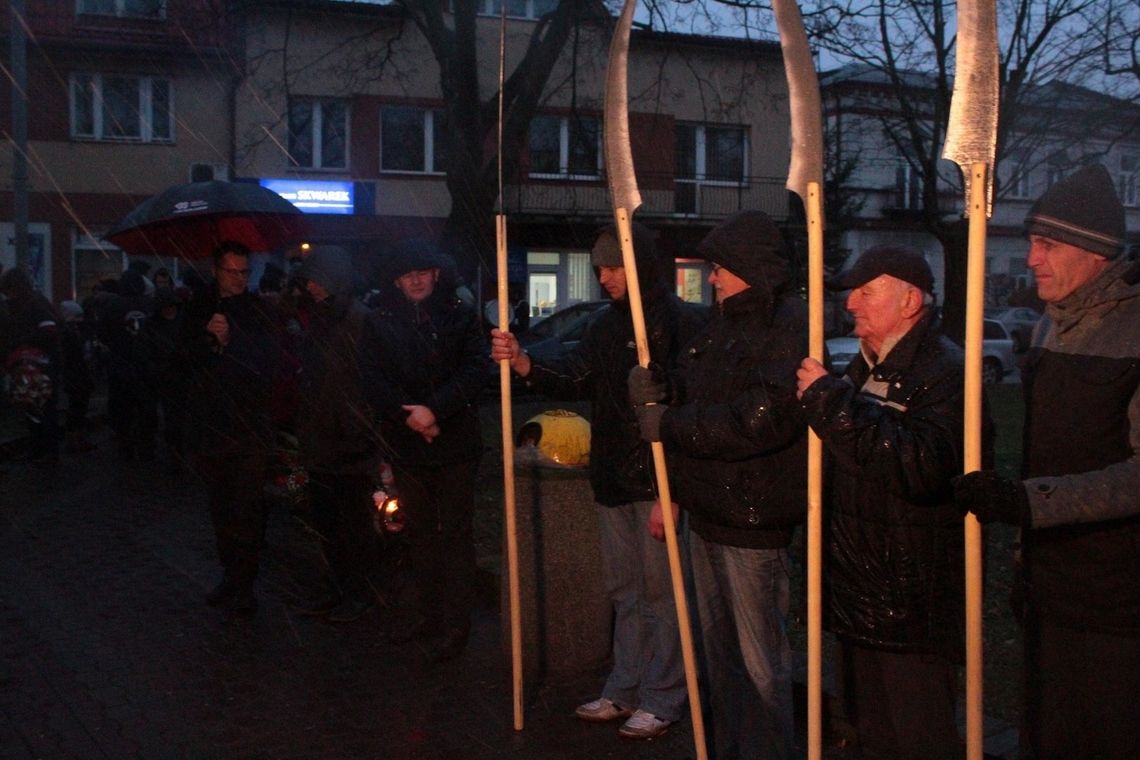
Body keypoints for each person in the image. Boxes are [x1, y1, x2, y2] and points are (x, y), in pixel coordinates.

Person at [491, 223, 707, 739]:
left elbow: (690, 408)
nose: (605, 277)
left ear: (641, 268)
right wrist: (523, 362)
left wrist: (671, 489)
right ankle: (625, 685)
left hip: (656, 482)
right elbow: (578, 373)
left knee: (663, 595)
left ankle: (664, 695)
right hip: (612, 476)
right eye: (600, 269)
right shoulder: (604, 326)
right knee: (625, 591)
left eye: (614, 267)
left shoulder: (682, 325)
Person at [954, 164, 1139, 759]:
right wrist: (1023, 558)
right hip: (1050, 588)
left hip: (1118, 601)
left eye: (1047, 245)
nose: (1031, 258)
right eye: (1033, 243)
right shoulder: (1045, 331)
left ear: (1096, 255)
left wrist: (1029, 503)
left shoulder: (1135, 334)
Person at [627, 211, 806, 759]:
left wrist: (671, 423)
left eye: (720, 268)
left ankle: (769, 751)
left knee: (759, 663)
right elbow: (702, 394)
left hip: (753, 520)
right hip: (708, 513)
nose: (712, 278)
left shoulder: (788, 327)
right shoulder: (720, 325)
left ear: (749, 269)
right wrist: (663, 386)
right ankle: (732, 747)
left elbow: (759, 418)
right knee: (718, 652)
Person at [796, 245, 978, 759]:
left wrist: (830, 402)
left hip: (909, 604)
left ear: (910, 300)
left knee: (915, 736)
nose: (851, 303)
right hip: (860, 593)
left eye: (866, 291)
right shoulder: (863, 367)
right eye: (852, 292)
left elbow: (921, 465)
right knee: (869, 733)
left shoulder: (945, 370)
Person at [358, 240, 490, 661]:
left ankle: (456, 626)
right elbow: (373, 380)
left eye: (423, 271)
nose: (415, 279)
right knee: (419, 536)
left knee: (454, 535)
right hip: (409, 446)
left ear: (436, 274)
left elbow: (474, 372)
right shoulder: (380, 321)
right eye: (407, 273)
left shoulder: (461, 316)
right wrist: (410, 417)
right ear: (396, 279)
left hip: (455, 446)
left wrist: (435, 410)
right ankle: (428, 616)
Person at [181, 241, 280, 615]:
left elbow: (266, 364)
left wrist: (231, 345)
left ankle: (245, 582)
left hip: (248, 428)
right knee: (221, 508)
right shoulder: (198, 310)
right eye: (231, 272)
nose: (239, 279)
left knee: (247, 509)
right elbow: (179, 362)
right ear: (215, 270)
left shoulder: (257, 311)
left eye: (244, 272)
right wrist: (209, 342)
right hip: (210, 426)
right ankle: (230, 575)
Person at [290, 246, 381, 623]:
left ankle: (359, 592)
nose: (310, 286)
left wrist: (356, 428)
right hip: (322, 440)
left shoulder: (360, 321)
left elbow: (369, 383)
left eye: (316, 279)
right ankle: (340, 587)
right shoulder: (320, 320)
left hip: (348, 444)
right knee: (328, 523)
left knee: (353, 525)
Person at [0, 267, 62, 464]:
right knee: (32, 407)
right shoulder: (24, 304)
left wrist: (20, 344)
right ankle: (41, 448)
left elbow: (49, 330)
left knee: (41, 407)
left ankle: (47, 450)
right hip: (29, 364)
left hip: (38, 364)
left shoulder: (33, 305)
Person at [58, 300, 97, 453]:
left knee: (79, 406)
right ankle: (75, 439)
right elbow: (75, 353)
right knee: (77, 407)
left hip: (77, 374)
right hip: (76, 374)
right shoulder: (69, 332)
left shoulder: (70, 330)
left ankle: (76, 438)